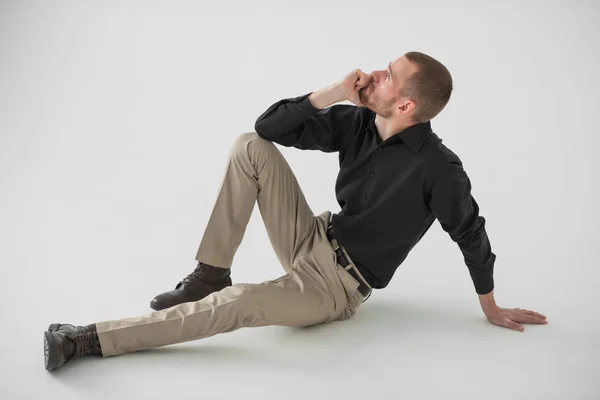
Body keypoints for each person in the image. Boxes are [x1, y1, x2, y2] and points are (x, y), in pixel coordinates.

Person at [43, 51, 548, 371]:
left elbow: (470, 231)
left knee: (239, 305)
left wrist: (490, 304)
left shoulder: (440, 169)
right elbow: (268, 129)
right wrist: (330, 94)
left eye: (388, 75)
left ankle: (88, 340)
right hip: (312, 237)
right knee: (248, 147)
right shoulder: (356, 123)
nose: (374, 72)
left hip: (334, 288)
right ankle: (210, 271)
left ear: (406, 106)